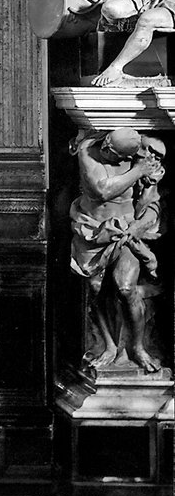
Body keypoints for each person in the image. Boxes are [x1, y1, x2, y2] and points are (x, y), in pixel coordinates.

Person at [70, 127, 164, 372]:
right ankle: (109, 345)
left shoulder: (142, 160)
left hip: (124, 232)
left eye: (111, 151)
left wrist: (138, 227)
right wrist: (138, 171)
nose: (104, 150)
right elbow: (102, 190)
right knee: (95, 287)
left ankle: (137, 347)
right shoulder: (88, 151)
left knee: (125, 287)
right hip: (92, 232)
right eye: (106, 144)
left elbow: (152, 203)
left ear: (127, 155)